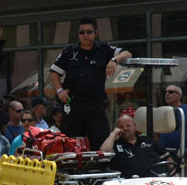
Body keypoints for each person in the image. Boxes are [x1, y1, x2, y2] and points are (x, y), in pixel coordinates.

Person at [49, 17, 131, 146]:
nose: (85, 35)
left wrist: (114, 60)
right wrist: (59, 91)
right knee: (73, 143)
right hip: (74, 105)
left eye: (89, 32)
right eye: (82, 32)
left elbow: (127, 54)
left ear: (95, 33)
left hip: (95, 105)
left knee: (101, 141)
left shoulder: (103, 49)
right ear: (78, 34)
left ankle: (101, 166)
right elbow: (54, 73)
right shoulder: (69, 52)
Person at [99, 113, 172, 178]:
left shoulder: (149, 141)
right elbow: (103, 153)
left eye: (128, 125)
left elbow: (168, 159)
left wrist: (173, 175)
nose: (125, 129)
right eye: (121, 127)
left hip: (158, 181)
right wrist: (113, 134)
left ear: (134, 126)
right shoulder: (116, 145)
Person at [159, 84, 187, 161]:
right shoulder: (162, 111)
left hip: (186, 155)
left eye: (170, 92)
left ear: (179, 95)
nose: (167, 94)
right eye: (165, 92)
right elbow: (157, 132)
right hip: (165, 154)